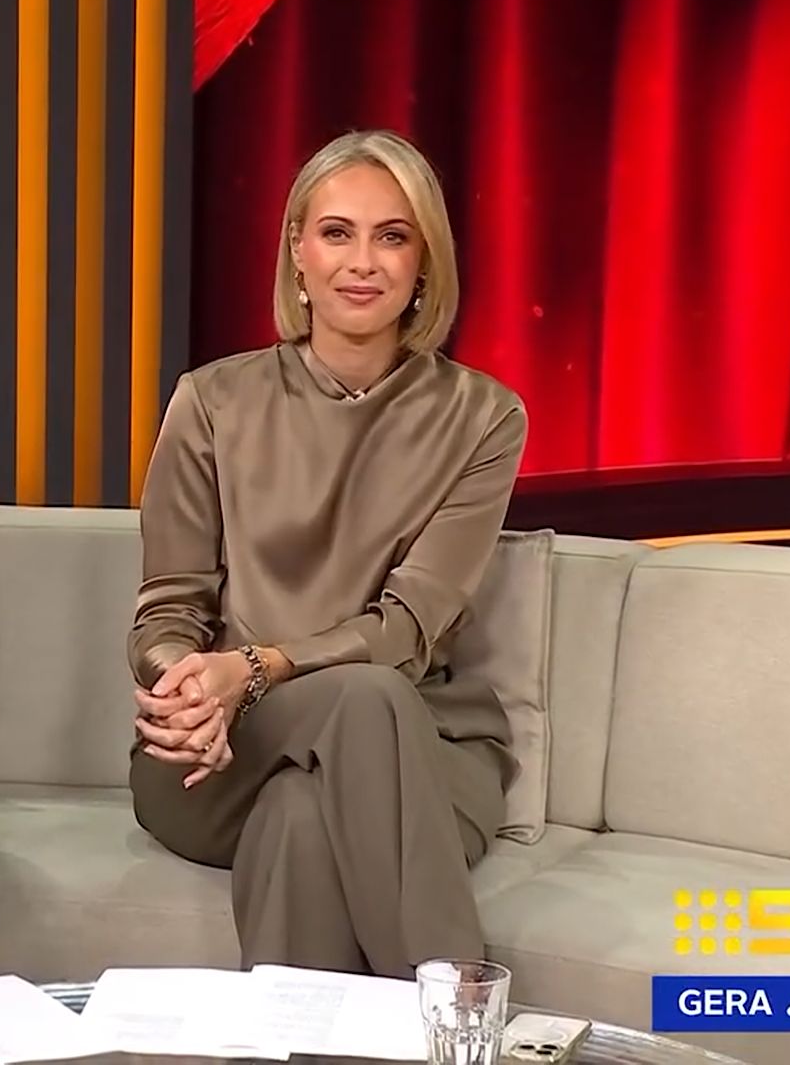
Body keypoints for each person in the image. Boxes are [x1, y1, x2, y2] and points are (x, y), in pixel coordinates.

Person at [127, 129, 524, 978]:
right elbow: (168, 611)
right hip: (227, 748)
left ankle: (298, 1036)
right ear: (297, 253)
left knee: (312, 803)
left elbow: (406, 632)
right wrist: (187, 686)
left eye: (393, 236)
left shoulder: (484, 417)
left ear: (425, 263)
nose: (363, 262)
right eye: (337, 233)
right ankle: (454, 1016)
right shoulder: (213, 401)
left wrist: (256, 665)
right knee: (353, 710)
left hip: (424, 747)